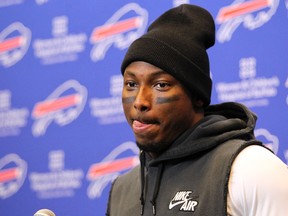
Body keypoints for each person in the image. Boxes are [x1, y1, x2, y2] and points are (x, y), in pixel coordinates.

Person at [106, 4, 288, 216]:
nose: (139, 101)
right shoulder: (122, 189)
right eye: (131, 84)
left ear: (198, 96)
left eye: (161, 85)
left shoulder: (251, 169)